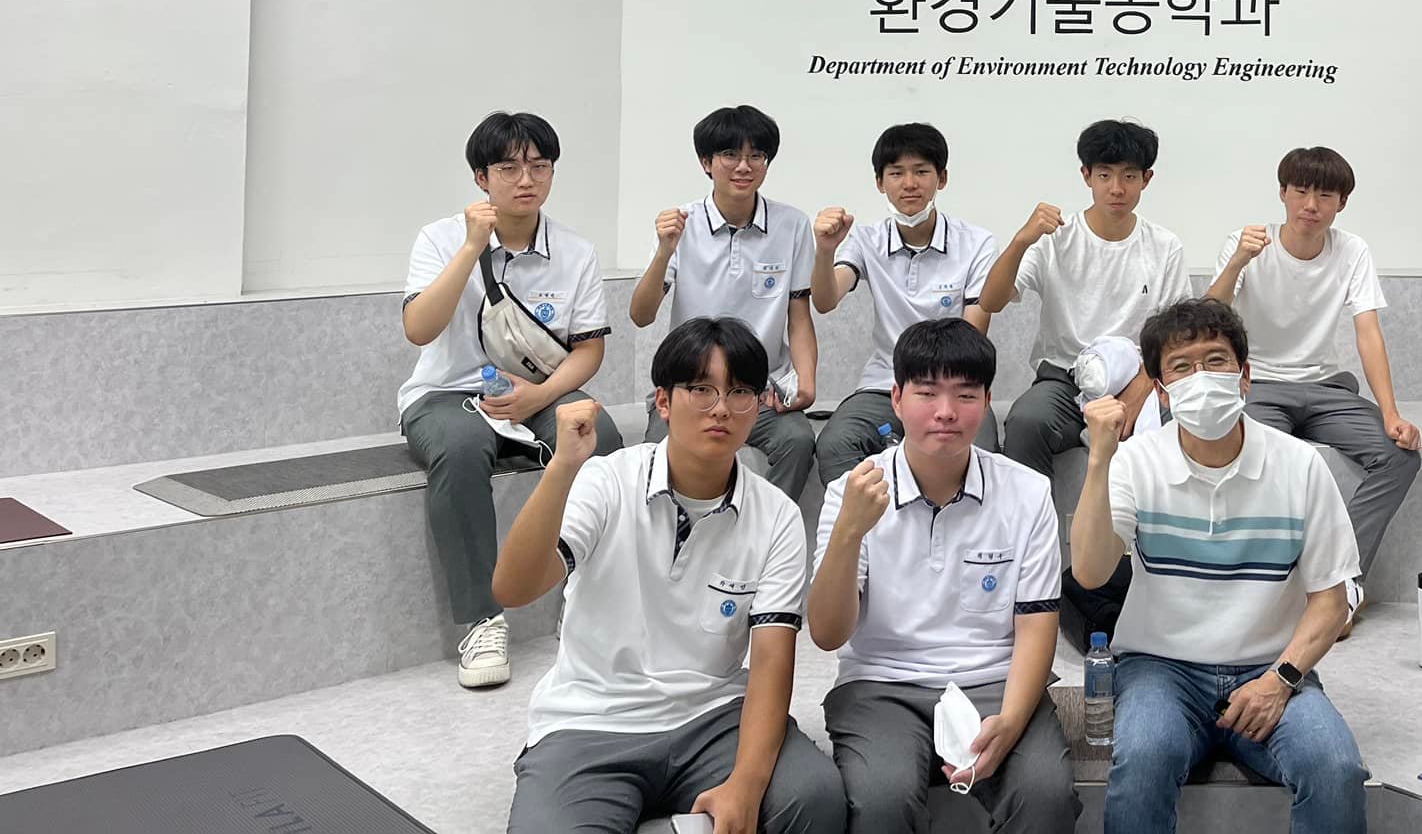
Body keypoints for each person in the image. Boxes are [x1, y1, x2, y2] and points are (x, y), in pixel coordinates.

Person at [493, 319, 846, 834]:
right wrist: (562, 467)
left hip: (713, 718)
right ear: (663, 401)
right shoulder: (606, 480)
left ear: (757, 405)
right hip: (593, 718)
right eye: (701, 389)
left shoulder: (777, 516)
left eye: (739, 392)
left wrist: (746, 788)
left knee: (814, 801)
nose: (721, 408)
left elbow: (772, 662)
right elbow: (513, 588)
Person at [1070, 298, 1367, 834]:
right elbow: (1090, 573)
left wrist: (1280, 680)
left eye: (1215, 360)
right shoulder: (1136, 462)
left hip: (1269, 665)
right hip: (1161, 667)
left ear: (1245, 376)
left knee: (1336, 769)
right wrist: (1099, 459)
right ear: (1161, 392)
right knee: (1144, 759)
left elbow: (1332, 598)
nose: (1201, 377)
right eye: (1181, 367)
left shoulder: (1300, 465)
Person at [809, 318, 1078, 834]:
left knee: (1045, 793)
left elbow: (1037, 626)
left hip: (995, 681)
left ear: (988, 401)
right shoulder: (853, 491)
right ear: (896, 398)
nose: (946, 411)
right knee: (882, 799)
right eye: (927, 392)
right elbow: (826, 633)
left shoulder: (1025, 492)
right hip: (882, 683)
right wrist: (849, 532)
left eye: (966, 394)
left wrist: (1011, 723)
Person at [399, 110, 623, 690]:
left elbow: (588, 350)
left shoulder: (575, 250)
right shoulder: (440, 238)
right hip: (447, 394)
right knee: (460, 448)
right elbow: (419, 329)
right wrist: (472, 247)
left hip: (538, 390)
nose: (526, 179)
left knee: (604, 439)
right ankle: (482, 619)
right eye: (508, 168)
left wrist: (539, 397)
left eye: (539, 166)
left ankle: (587, 599)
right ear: (481, 177)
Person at [1209, 144, 1419, 632]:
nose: (1311, 204)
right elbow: (1207, 319)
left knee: (1400, 456)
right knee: (1259, 462)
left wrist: (1391, 414)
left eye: (1325, 195)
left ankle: (1343, 584)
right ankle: (1274, 590)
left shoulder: (1352, 250)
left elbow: (1368, 332)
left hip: (1326, 388)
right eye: (1300, 191)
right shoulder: (1248, 243)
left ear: (1341, 203)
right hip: (1259, 385)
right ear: (1282, 193)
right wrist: (1238, 261)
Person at [981, 118, 1193, 480]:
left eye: (1129, 176)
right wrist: (1021, 240)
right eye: (1105, 175)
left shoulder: (1164, 246)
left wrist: (1139, 390)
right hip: (1064, 379)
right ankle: (1031, 517)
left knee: (1184, 419)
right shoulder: (1055, 238)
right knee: (1026, 421)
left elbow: (1176, 336)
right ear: (1087, 176)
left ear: (1146, 179)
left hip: (1136, 377)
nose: (1116, 188)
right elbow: (991, 301)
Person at [629, 105, 819, 504]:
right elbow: (641, 315)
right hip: (691, 384)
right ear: (706, 162)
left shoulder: (792, 225)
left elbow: (799, 317)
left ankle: (763, 528)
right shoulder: (682, 223)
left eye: (756, 156)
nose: (744, 166)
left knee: (799, 440)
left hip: (759, 390)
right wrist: (664, 252)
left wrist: (806, 381)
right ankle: (674, 534)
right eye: (730, 155)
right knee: (652, 459)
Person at [809, 123, 999, 485]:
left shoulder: (977, 243)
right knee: (836, 444)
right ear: (880, 182)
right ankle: (866, 519)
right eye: (896, 173)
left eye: (921, 171)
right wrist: (825, 250)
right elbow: (825, 300)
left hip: (953, 384)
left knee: (982, 451)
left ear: (942, 178)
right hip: (886, 383)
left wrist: (933, 392)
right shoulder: (866, 239)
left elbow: (973, 335)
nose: (909, 183)